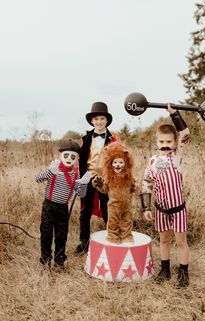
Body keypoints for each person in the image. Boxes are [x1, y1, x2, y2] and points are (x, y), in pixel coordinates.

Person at [140, 104, 190, 288]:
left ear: (175, 142)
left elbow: (185, 132)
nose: (165, 145)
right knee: (164, 240)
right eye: (161, 142)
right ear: (157, 142)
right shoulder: (152, 161)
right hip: (160, 209)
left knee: (180, 241)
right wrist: (146, 207)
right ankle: (165, 270)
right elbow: (146, 184)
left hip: (178, 210)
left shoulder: (177, 156)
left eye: (169, 141)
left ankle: (183, 274)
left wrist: (174, 114)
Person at [35, 139, 91, 270]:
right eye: (66, 156)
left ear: (77, 158)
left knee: (61, 236)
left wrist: (83, 184)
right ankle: (45, 261)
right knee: (46, 234)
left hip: (63, 209)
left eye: (73, 156)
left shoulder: (76, 174)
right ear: (60, 156)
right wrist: (50, 172)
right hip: (48, 207)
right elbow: (37, 179)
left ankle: (59, 261)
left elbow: (81, 194)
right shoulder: (54, 168)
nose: (69, 159)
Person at [74, 102, 117, 254]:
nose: (99, 122)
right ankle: (84, 242)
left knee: (108, 208)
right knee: (85, 211)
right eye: (96, 119)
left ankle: (111, 238)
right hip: (88, 176)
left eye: (102, 119)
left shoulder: (113, 139)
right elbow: (80, 159)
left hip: (105, 179)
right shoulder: (85, 138)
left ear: (106, 121)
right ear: (92, 121)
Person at [92, 141, 139, 244]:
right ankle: (113, 236)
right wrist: (99, 185)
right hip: (113, 206)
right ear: (110, 164)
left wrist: (136, 187)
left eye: (121, 163)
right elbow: (104, 190)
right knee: (113, 222)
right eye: (115, 163)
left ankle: (126, 236)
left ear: (126, 163)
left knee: (126, 221)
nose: (118, 165)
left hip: (127, 206)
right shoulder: (109, 178)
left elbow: (134, 188)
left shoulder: (128, 178)